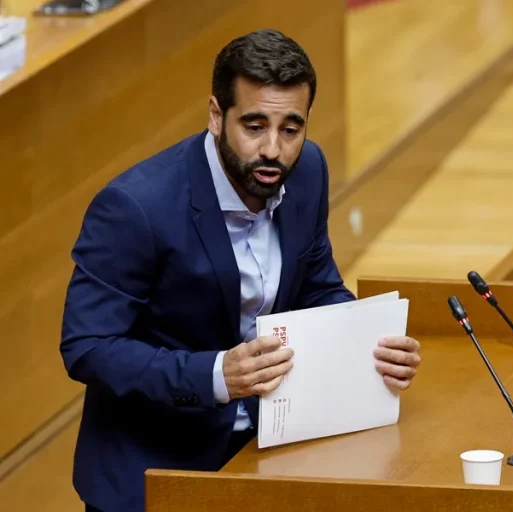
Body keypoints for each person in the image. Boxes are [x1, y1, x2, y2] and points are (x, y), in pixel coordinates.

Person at [59, 29, 422, 512]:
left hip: (271, 453)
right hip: (157, 472)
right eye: (254, 126)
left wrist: (370, 346)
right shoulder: (135, 207)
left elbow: (317, 287)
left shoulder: (308, 169)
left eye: (291, 129)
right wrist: (214, 375)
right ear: (216, 115)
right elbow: (88, 347)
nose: (273, 150)